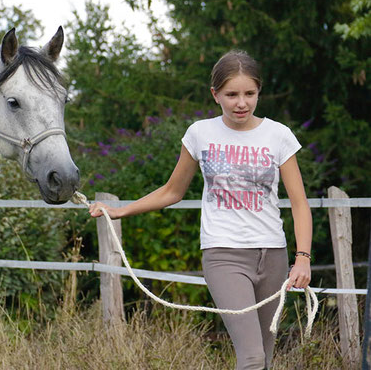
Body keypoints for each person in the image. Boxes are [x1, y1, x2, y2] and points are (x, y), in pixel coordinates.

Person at [88, 50, 312, 370]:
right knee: (252, 357)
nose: (241, 103)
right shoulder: (200, 134)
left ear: (259, 92)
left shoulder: (278, 135)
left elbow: (300, 203)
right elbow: (172, 191)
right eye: (231, 94)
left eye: (250, 94)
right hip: (224, 254)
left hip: (273, 254)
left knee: (266, 355)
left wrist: (302, 257)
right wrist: (122, 211)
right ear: (215, 94)